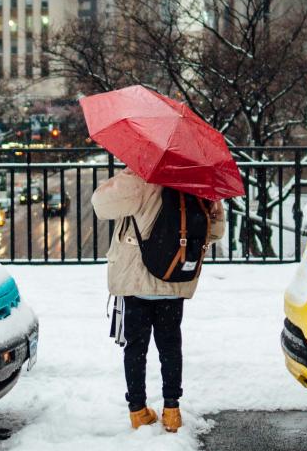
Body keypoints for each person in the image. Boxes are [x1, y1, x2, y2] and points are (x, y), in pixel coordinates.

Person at [91, 169, 226, 432]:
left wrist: (126, 173)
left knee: (135, 348)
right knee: (170, 346)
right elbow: (216, 231)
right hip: (175, 280)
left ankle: (138, 411)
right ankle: (172, 410)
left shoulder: (141, 179)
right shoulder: (199, 180)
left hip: (137, 281)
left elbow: (100, 205)